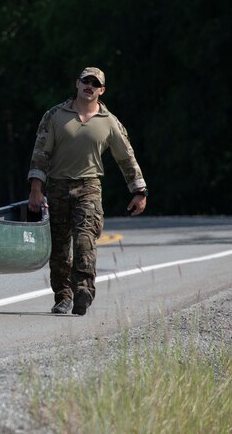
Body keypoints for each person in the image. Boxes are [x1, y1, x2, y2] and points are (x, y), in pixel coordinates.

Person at [27, 66, 147, 316]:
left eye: (95, 83)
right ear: (77, 84)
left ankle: (83, 290)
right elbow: (41, 154)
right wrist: (36, 189)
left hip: (89, 187)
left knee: (85, 240)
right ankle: (63, 296)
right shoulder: (55, 115)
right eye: (85, 81)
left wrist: (139, 190)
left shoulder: (109, 122)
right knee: (59, 248)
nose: (89, 85)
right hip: (58, 186)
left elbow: (126, 158)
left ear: (101, 90)